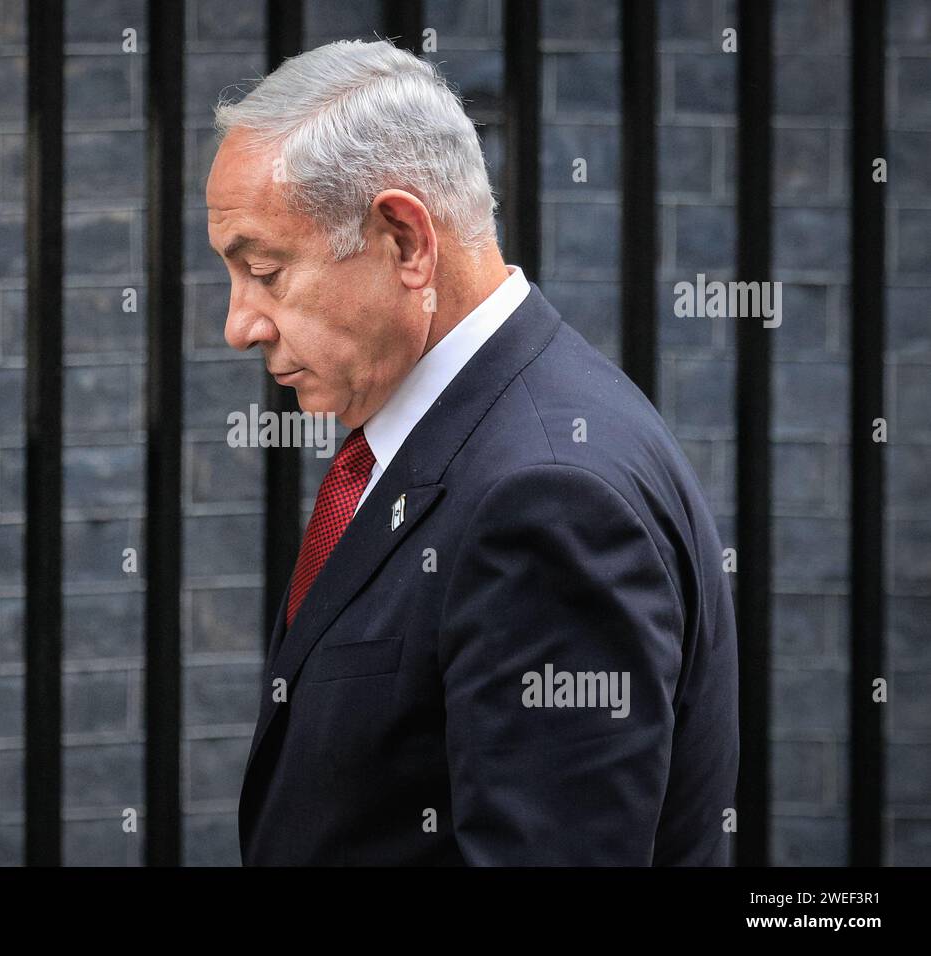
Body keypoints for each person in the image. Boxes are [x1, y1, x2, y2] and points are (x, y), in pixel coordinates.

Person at [206, 38, 739, 865]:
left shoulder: (549, 496)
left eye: (267, 271)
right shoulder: (464, 433)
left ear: (406, 240)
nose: (240, 324)